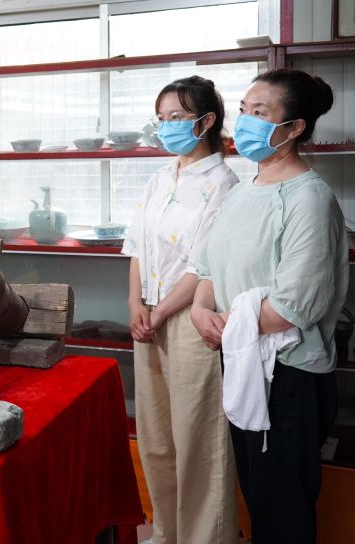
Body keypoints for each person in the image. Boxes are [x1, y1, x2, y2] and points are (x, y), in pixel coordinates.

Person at [190, 69, 346, 544]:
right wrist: (199, 310)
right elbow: (209, 267)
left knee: (283, 507)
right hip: (243, 358)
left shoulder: (309, 199)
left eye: (259, 113)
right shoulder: (243, 191)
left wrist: (225, 324)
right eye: (243, 110)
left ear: (294, 127)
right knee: (257, 493)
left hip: (289, 375)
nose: (244, 122)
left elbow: (291, 307)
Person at [122, 76, 240, 544]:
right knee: (156, 437)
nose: (166, 126)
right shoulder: (159, 177)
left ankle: (204, 537)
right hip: (148, 316)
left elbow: (202, 263)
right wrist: (135, 302)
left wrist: (159, 312)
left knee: (198, 438)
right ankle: (165, 532)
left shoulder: (224, 183)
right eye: (161, 118)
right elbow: (137, 245)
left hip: (191, 318)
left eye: (177, 117)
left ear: (206, 122)